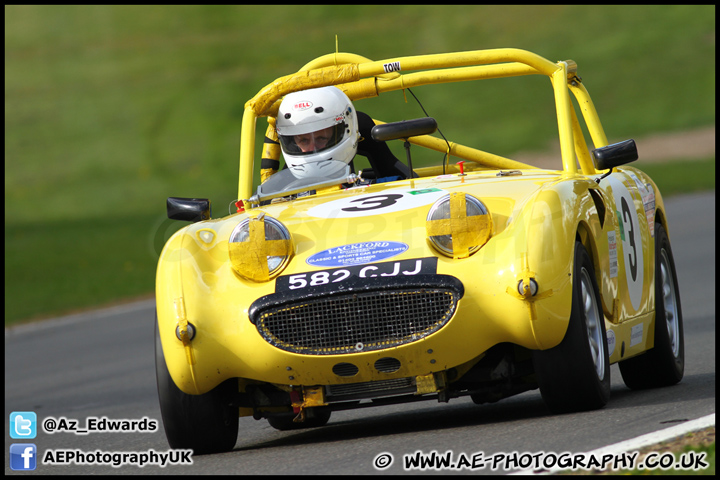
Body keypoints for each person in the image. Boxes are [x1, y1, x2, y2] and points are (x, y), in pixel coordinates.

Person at [262, 86, 412, 182]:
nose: (313, 147)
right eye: (303, 140)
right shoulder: (278, 197)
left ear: (346, 130)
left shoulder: (390, 184)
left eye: (321, 138)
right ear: (292, 141)